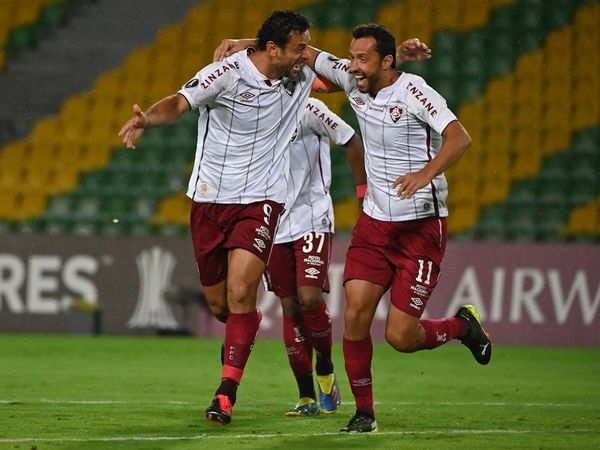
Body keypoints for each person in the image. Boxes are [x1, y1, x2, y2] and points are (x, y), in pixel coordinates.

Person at [213, 24, 489, 433]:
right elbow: (304, 53)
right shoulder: (353, 81)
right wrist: (245, 44)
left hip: (421, 227)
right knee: (355, 315)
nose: (354, 66)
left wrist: (424, 173)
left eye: (363, 59)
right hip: (375, 225)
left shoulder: (415, 92)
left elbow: (459, 138)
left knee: (401, 337)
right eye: (352, 57)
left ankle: (461, 327)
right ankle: (365, 413)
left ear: (387, 61)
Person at [118, 10, 317, 426]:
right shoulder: (225, 73)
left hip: (262, 199)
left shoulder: (300, 76)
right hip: (210, 201)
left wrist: (247, 39)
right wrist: (146, 120)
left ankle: (225, 394)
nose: (306, 55)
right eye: (299, 47)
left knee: (243, 289)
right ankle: (244, 325)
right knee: (223, 306)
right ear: (274, 49)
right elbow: (179, 101)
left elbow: (353, 74)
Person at [264, 96, 365, 417]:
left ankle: (325, 364)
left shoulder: (309, 108)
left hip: (312, 217)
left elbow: (350, 139)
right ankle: (306, 396)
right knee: (289, 304)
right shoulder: (256, 111)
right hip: (273, 223)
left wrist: (362, 194)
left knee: (309, 298)